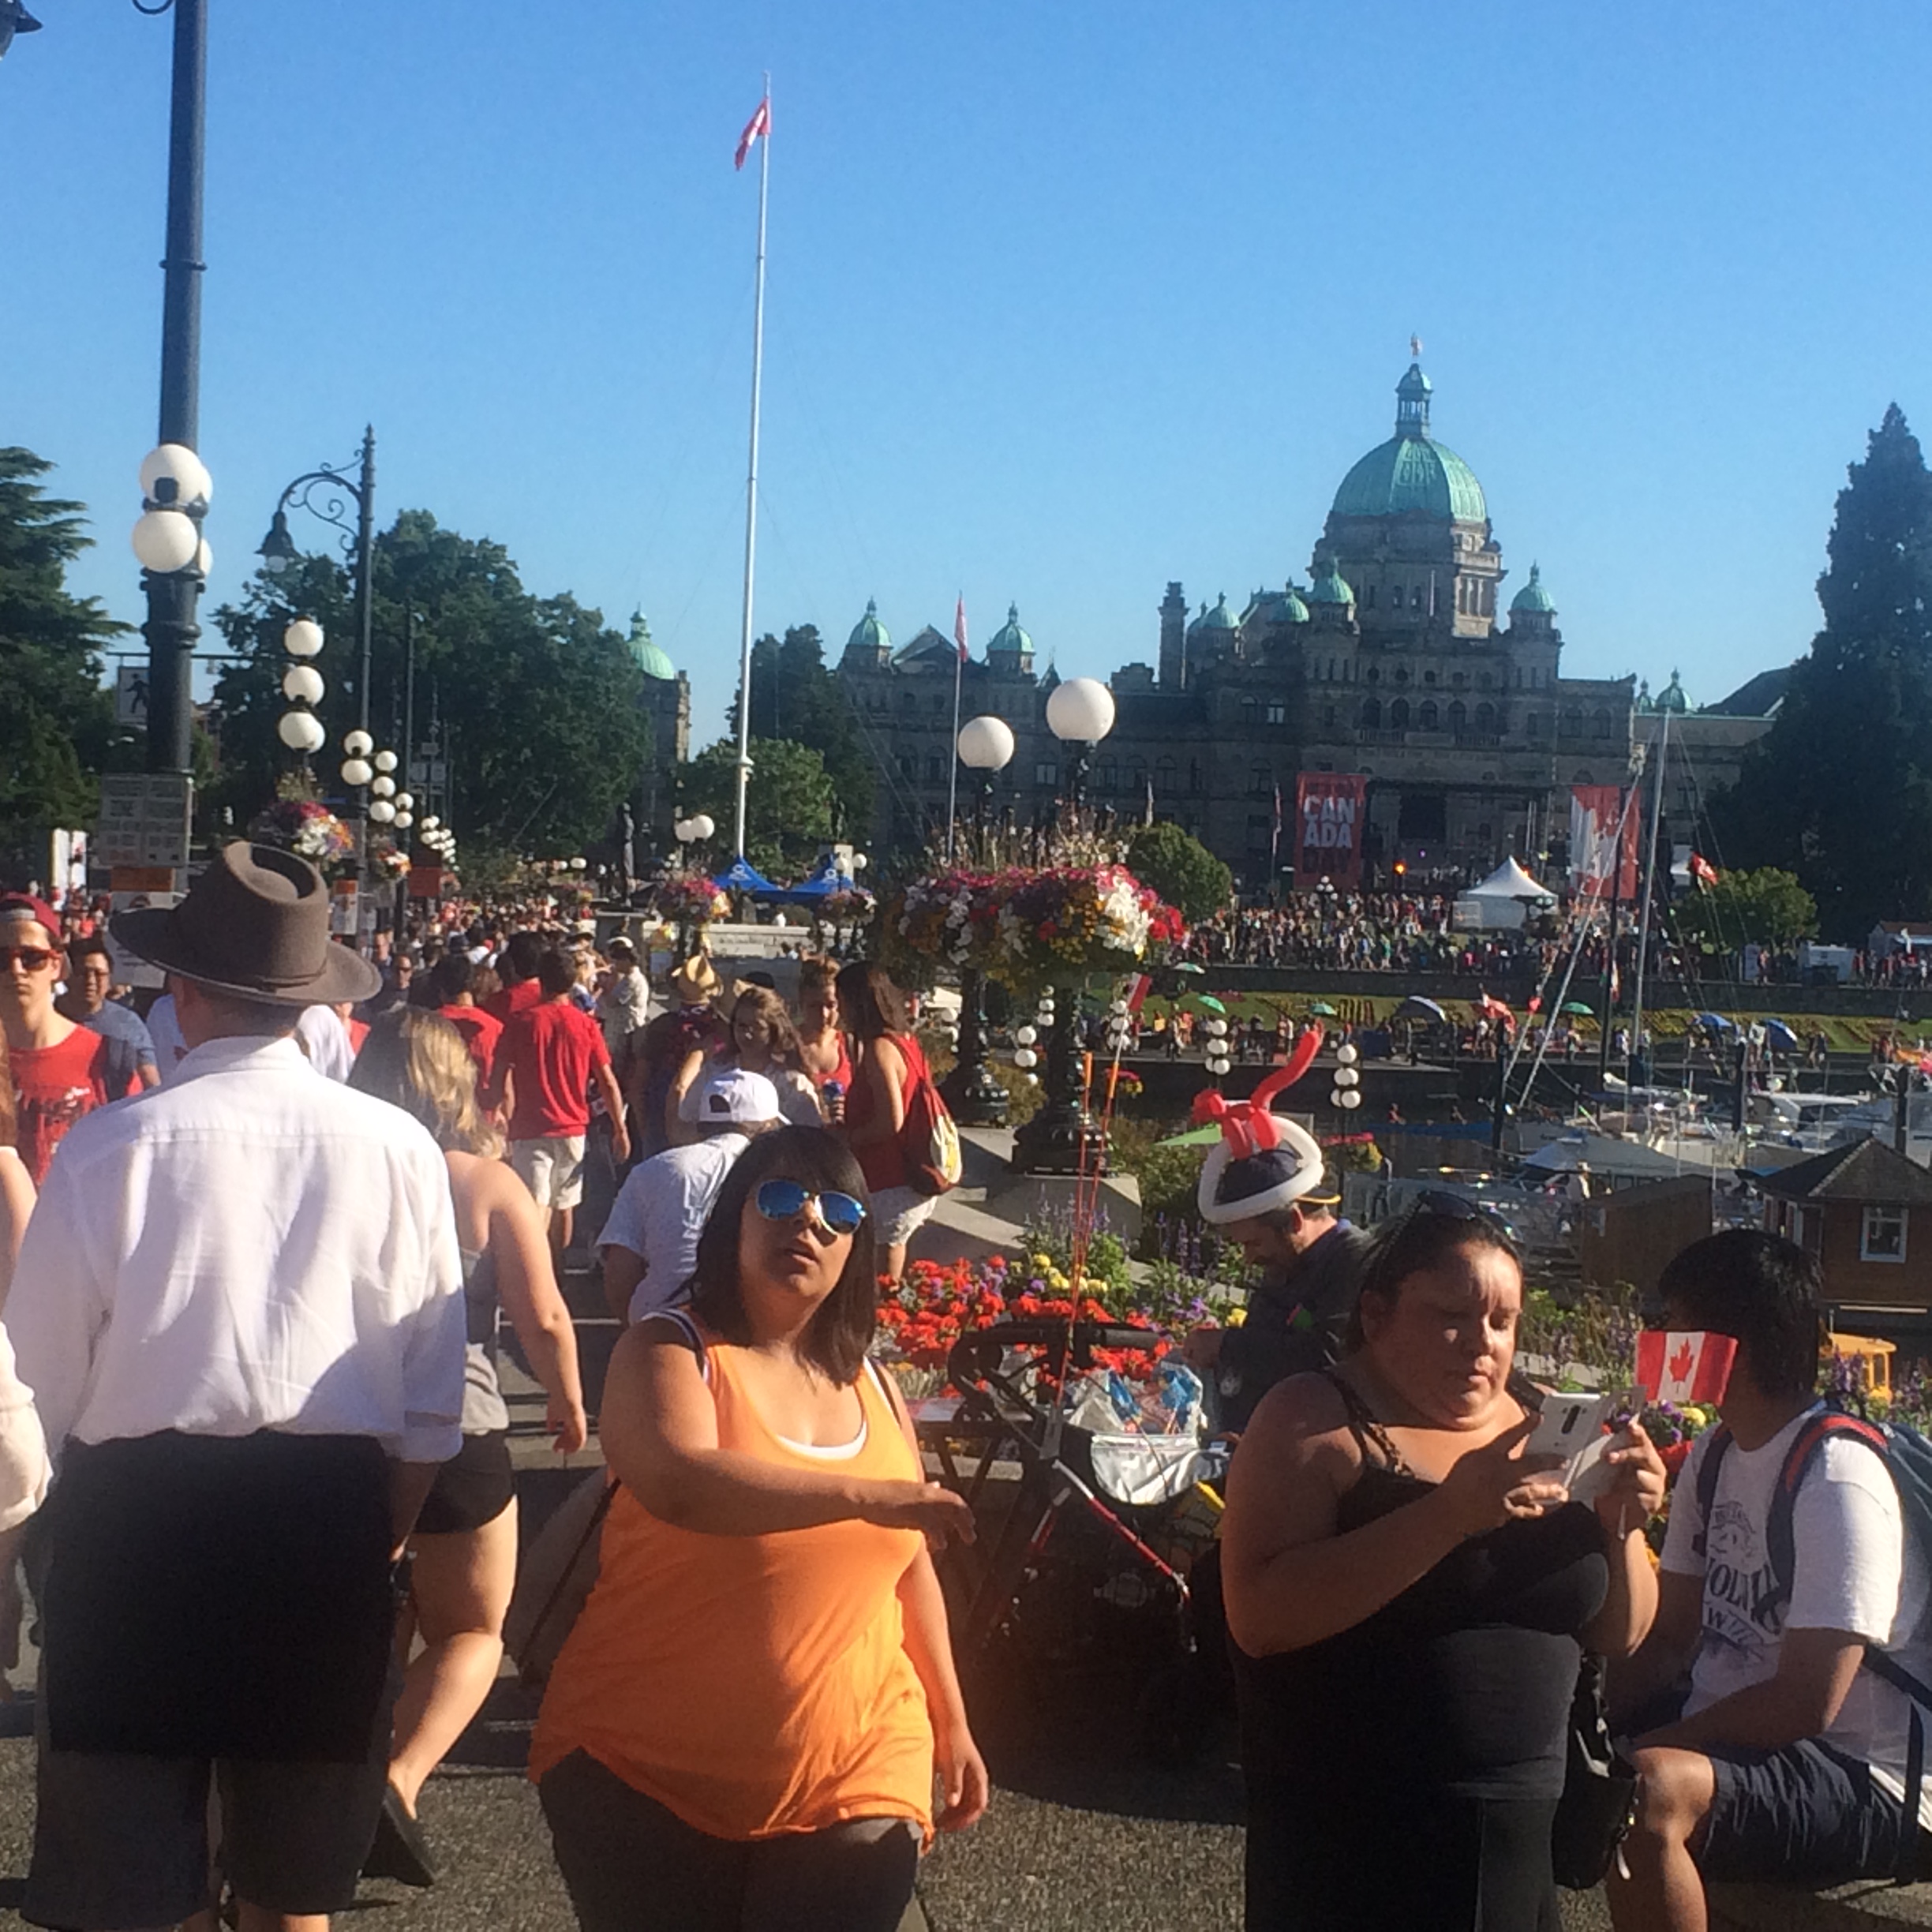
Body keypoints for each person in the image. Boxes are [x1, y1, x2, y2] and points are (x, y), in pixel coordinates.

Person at [4, 842, 467, 1932]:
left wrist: (21, 1550)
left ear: (186, 991)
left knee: (132, 1893)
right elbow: (430, 1409)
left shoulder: (111, 1148)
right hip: (322, 1524)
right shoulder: (398, 1148)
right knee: (290, 1892)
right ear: (307, 1001)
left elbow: (30, 1395)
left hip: (134, 1530)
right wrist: (371, 1541)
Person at [530, 1127, 987, 1932]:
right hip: (643, 1767)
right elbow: (681, 1484)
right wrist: (868, 1497)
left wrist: (951, 1721)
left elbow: (909, 1567)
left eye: (839, 1212)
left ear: (856, 1249)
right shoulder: (669, 1350)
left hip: (858, 1760)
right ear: (732, 1222)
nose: (809, 1222)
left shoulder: (874, 1384)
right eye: (780, 1199)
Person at [1220, 1196, 1664, 1931]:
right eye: (1451, 1316)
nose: (1482, 1343)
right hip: (1357, 1834)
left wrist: (1624, 1527)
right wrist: (1450, 1515)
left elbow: (1619, 1633)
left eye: (1503, 1321)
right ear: (1376, 1315)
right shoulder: (1312, 1420)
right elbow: (1259, 1615)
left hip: (1520, 1835)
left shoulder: (1548, 1425)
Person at [1610, 1230, 1932, 1926]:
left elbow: (1805, 1703)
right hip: (1747, 1740)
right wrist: (1590, 1719)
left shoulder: (1837, 1477)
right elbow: (1670, 1637)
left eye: (1670, 1322)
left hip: (1866, 1774)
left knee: (1645, 1794)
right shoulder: (1716, 1454)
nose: (1654, 1339)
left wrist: (1659, 1743)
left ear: (1730, 1348)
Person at [349, 1008, 589, 1888]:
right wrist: (567, 1396)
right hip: (460, 1421)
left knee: (367, 1621)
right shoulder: (486, 1183)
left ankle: (330, 1777)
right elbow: (545, 1315)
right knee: (473, 1627)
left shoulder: (341, 1170)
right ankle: (398, 1779)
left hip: (347, 1422)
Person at [1183, 1121, 1370, 1437]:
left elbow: (1328, 1358)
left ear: (1294, 1221)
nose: (1248, 1258)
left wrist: (1227, 1345)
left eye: (1254, 1243)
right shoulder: (1286, 1263)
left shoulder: (1355, 1262)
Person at [600, 1068, 783, 1324]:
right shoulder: (778, 1178)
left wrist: (637, 1332)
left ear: (702, 1124)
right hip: (749, 1326)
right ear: (768, 1127)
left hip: (660, 1322)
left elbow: (620, 1272)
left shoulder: (653, 1169)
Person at [496, 948, 631, 1264]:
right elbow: (607, 1080)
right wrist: (620, 1127)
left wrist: (499, 1114)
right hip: (573, 1127)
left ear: (541, 980)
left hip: (531, 1126)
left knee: (535, 1205)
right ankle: (558, 1269)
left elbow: (500, 1076)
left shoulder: (521, 1023)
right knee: (564, 1205)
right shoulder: (585, 1025)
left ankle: (535, 1269)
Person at [0, 893, 138, 1185]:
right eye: (1, 959)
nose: (16, 970)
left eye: (31, 957)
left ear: (56, 965)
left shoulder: (106, 1059)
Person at [835, 962, 939, 1282]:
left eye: (842, 1001)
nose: (840, 1011)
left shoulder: (881, 1049)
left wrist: (848, 1138)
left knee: (883, 1281)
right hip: (904, 1175)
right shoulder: (906, 1041)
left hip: (890, 1177)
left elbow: (890, 1120)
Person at [630, 956, 728, 1159]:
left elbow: (639, 1084)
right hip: (708, 1113)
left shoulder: (662, 1026)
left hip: (659, 1114)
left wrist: (644, 1128)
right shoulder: (721, 1030)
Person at [54, 933, 159, 1091]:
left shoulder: (128, 1023)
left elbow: (150, 1081)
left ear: (110, 978)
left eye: (99, 974)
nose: (90, 981)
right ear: (66, 975)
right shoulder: (47, 1016)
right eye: (83, 973)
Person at [722, 985, 824, 1127]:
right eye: (742, 1026)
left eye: (757, 1027)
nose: (747, 1034)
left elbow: (812, 1133)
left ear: (774, 1031)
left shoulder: (792, 1084)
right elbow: (691, 1121)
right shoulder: (716, 1074)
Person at [427, 951, 504, 1093]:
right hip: (483, 1103)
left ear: (440, 988)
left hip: (440, 1101)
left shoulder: (427, 1026)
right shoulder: (495, 1028)